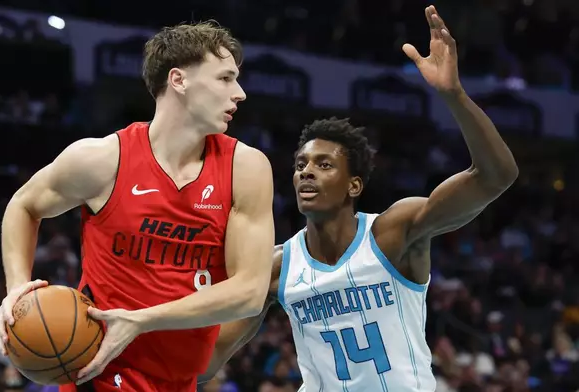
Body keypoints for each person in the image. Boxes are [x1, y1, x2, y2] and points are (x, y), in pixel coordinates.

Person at [199, 6, 518, 391]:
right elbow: (207, 362)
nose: (306, 172)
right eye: (301, 164)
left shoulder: (394, 233)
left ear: (353, 185)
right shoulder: (278, 267)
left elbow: (496, 176)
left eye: (324, 164)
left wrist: (454, 95)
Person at [0, 22, 276, 391]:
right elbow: (23, 205)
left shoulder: (246, 168)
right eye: (225, 78)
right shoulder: (102, 160)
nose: (239, 93)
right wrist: (17, 289)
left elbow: (249, 293)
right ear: (179, 80)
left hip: (180, 380)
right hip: (98, 374)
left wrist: (141, 320)